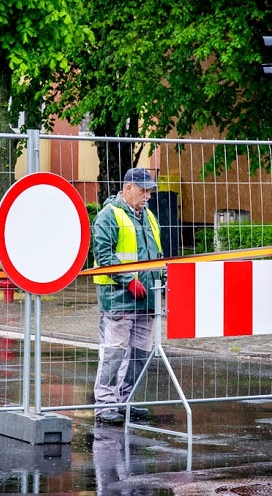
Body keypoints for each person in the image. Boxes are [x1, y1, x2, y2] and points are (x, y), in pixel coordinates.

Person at [91, 167, 164, 424]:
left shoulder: (149, 217)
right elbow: (104, 255)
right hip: (118, 299)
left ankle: (125, 400)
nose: (148, 196)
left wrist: (163, 281)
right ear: (128, 188)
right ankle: (105, 404)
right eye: (143, 190)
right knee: (114, 353)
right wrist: (128, 281)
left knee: (140, 355)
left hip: (147, 300)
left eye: (150, 191)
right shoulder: (108, 216)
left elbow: (157, 257)